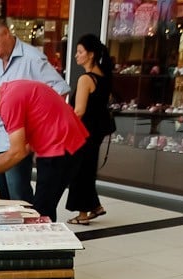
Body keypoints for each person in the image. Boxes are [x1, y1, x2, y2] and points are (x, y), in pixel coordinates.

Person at [0, 80, 88, 221]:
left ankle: (43, 239)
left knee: (42, 210)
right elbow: (23, 147)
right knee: (43, 206)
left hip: (62, 147)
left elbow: (18, 152)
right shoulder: (10, 92)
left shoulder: (9, 102)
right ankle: (43, 237)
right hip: (60, 145)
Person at [0, 17, 70, 204]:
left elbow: (60, 92)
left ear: (6, 33)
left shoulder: (32, 58)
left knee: (19, 199)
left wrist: (39, 135)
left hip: (18, 142)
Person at [66, 34, 114, 225]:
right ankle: (95, 206)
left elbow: (79, 111)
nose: (76, 56)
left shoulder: (85, 79)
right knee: (88, 169)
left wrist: (62, 126)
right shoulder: (104, 77)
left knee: (79, 171)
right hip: (97, 131)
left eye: (79, 52)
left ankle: (83, 213)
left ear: (91, 54)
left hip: (83, 132)